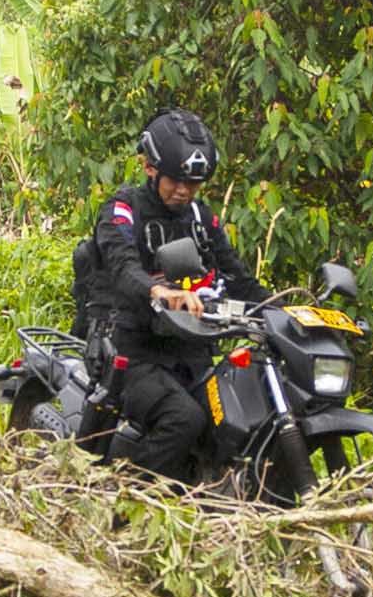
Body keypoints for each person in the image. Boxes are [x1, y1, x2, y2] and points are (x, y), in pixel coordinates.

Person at [81, 108, 264, 482]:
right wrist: (160, 292)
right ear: (149, 168)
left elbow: (238, 277)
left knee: (236, 421)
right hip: (129, 352)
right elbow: (122, 264)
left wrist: (288, 312)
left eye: (193, 183)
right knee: (184, 418)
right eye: (176, 180)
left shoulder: (201, 219)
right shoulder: (123, 210)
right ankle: (129, 501)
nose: (184, 190)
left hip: (191, 354)